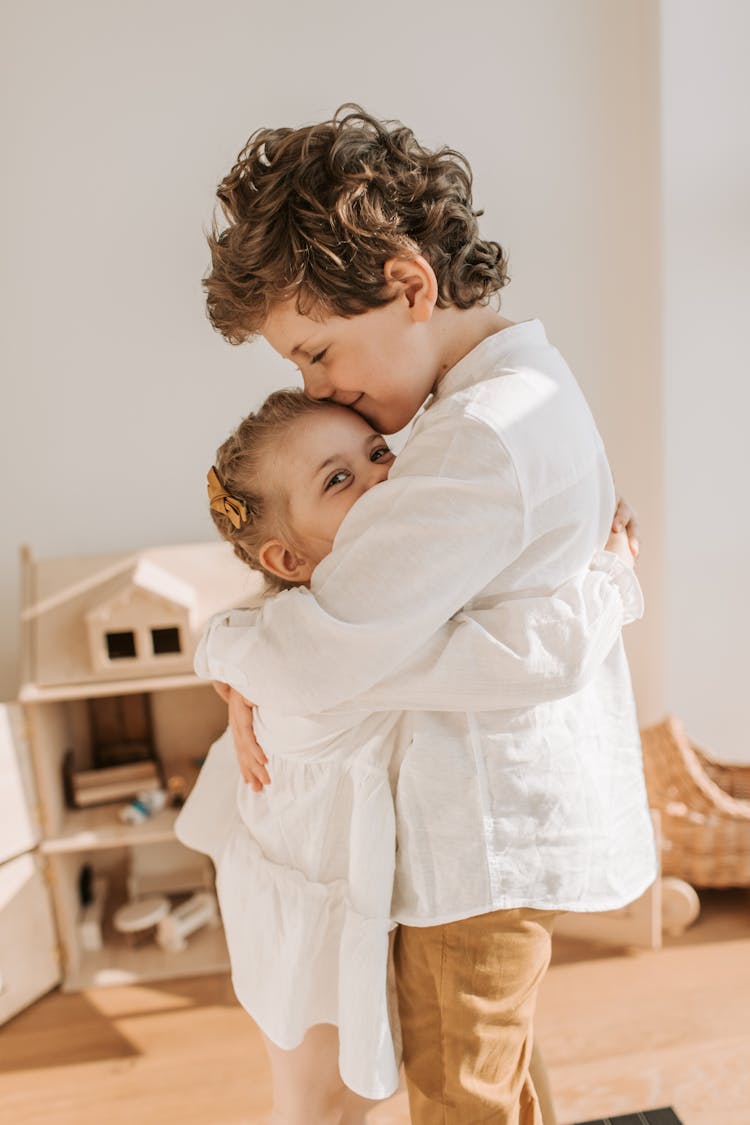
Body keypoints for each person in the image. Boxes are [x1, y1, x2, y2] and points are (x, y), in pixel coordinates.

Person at [197, 105, 658, 1124]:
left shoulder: (475, 439)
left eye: (317, 354)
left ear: (409, 285)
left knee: (459, 1096)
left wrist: (236, 654)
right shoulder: (503, 392)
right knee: (494, 1072)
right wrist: (259, 662)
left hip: (474, 847)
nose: (324, 392)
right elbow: (377, 632)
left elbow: (326, 656)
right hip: (487, 835)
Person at [176, 387, 642, 1125]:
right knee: (320, 1101)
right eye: (339, 480)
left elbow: (228, 633)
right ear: (288, 557)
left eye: (377, 453)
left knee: (393, 1076)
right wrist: (611, 571)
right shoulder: (342, 641)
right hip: (309, 916)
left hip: (321, 887)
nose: (382, 479)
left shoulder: (324, 618)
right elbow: (531, 657)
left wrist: (225, 663)